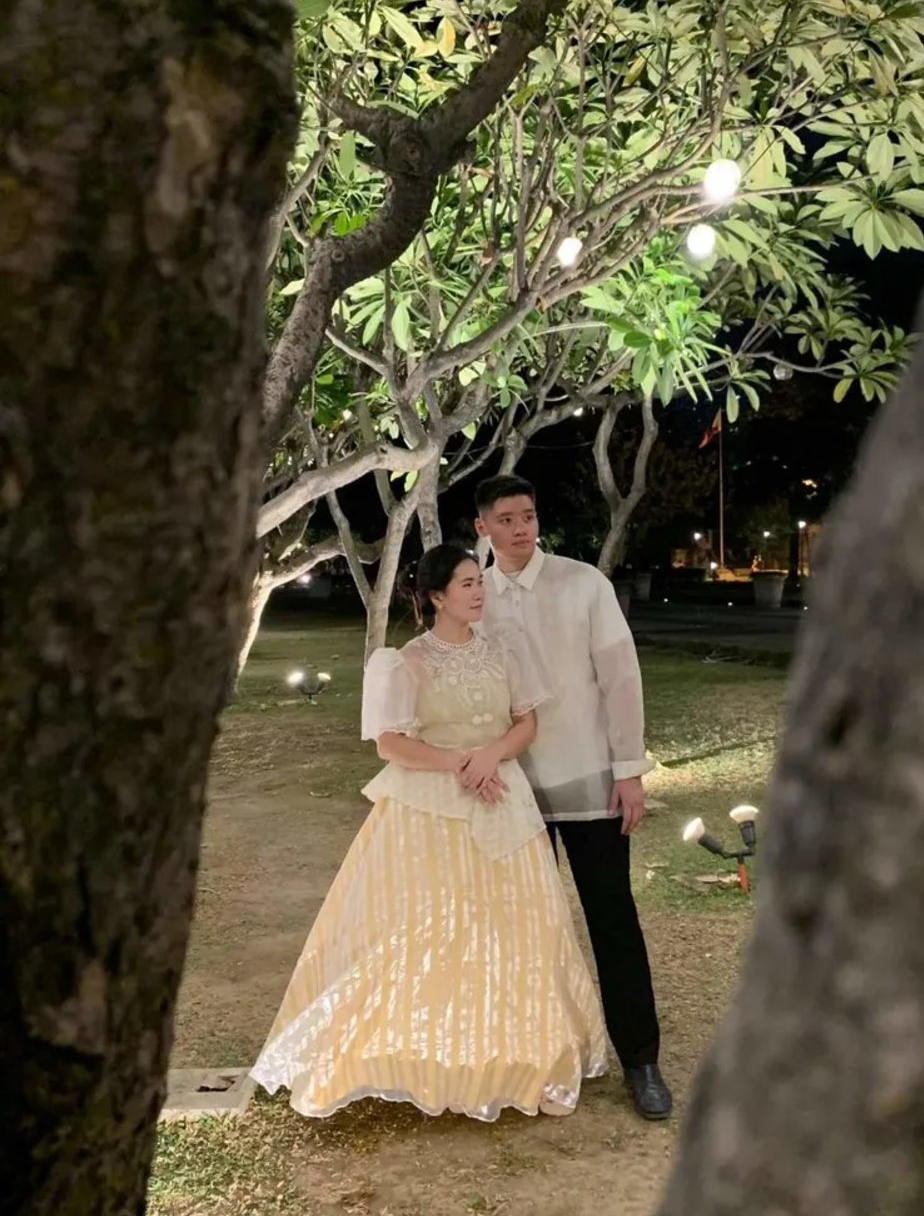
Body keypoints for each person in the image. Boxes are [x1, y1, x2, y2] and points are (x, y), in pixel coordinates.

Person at [251, 542, 608, 1122]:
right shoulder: (405, 662)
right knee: (426, 930)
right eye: (467, 583)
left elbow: (526, 722)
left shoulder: (504, 650)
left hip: (503, 801)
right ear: (437, 597)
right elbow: (390, 744)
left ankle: (528, 1060)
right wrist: (460, 763)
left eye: (479, 582)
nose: (479, 591)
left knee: (518, 930)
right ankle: (421, 1059)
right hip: (429, 811)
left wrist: (491, 756)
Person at [474, 476, 672, 1121]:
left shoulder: (583, 583)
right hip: (512, 791)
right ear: (482, 527)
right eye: (506, 519)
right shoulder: (474, 594)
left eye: (528, 516)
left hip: (589, 780)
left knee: (613, 920)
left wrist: (629, 769)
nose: (520, 528)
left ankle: (641, 1061)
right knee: (521, 928)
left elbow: (621, 678)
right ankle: (531, 1057)